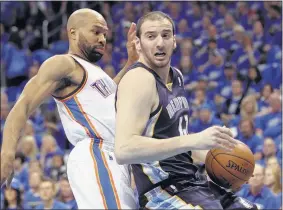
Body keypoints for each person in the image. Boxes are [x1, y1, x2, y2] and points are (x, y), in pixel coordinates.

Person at [115, 11, 257, 209]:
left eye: (165, 35)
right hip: (161, 191)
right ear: (138, 43)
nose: (159, 43)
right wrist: (195, 139)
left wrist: (226, 160)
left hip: (192, 182)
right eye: (150, 36)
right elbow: (123, 149)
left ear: (174, 41)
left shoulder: (177, 76)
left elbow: (175, 141)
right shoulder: (138, 79)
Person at [1, 8, 138, 209]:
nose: (102, 39)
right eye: (96, 31)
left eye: (105, 34)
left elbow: (109, 98)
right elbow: (23, 105)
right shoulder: (64, 64)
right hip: (96, 152)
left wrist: (130, 64)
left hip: (114, 157)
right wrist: (7, 154)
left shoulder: (96, 72)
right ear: (72, 33)